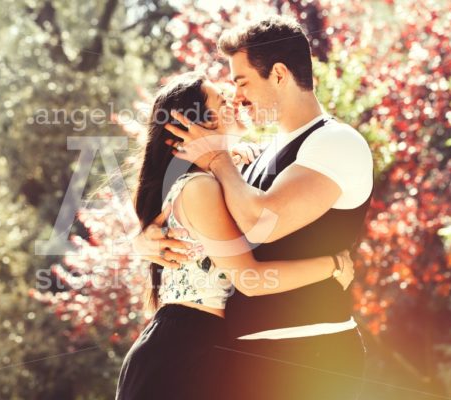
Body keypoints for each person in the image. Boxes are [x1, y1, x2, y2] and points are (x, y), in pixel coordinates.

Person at [155, 14, 374, 400]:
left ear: (278, 74)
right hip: (250, 361)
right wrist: (147, 240)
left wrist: (219, 160)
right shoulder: (259, 155)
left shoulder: (336, 143)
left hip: (312, 356)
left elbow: (260, 223)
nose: (236, 97)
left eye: (242, 82)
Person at [116, 71, 356, 400]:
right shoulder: (200, 188)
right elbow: (251, 279)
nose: (235, 101)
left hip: (202, 349)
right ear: (193, 125)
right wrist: (333, 265)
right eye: (222, 101)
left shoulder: (224, 175)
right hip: (180, 357)